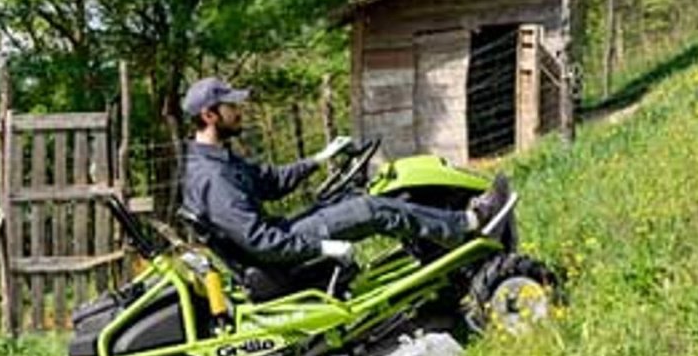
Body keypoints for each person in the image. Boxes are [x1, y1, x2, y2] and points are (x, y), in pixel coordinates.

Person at [179, 77, 512, 268]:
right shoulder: (213, 178)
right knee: (371, 208)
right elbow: (263, 244)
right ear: (210, 115)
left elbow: (271, 182)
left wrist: (321, 158)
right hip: (279, 251)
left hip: (280, 233)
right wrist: (325, 247)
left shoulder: (217, 159)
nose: (239, 112)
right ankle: (468, 223)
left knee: (352, 197)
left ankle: (434, 247)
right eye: (232, 107)